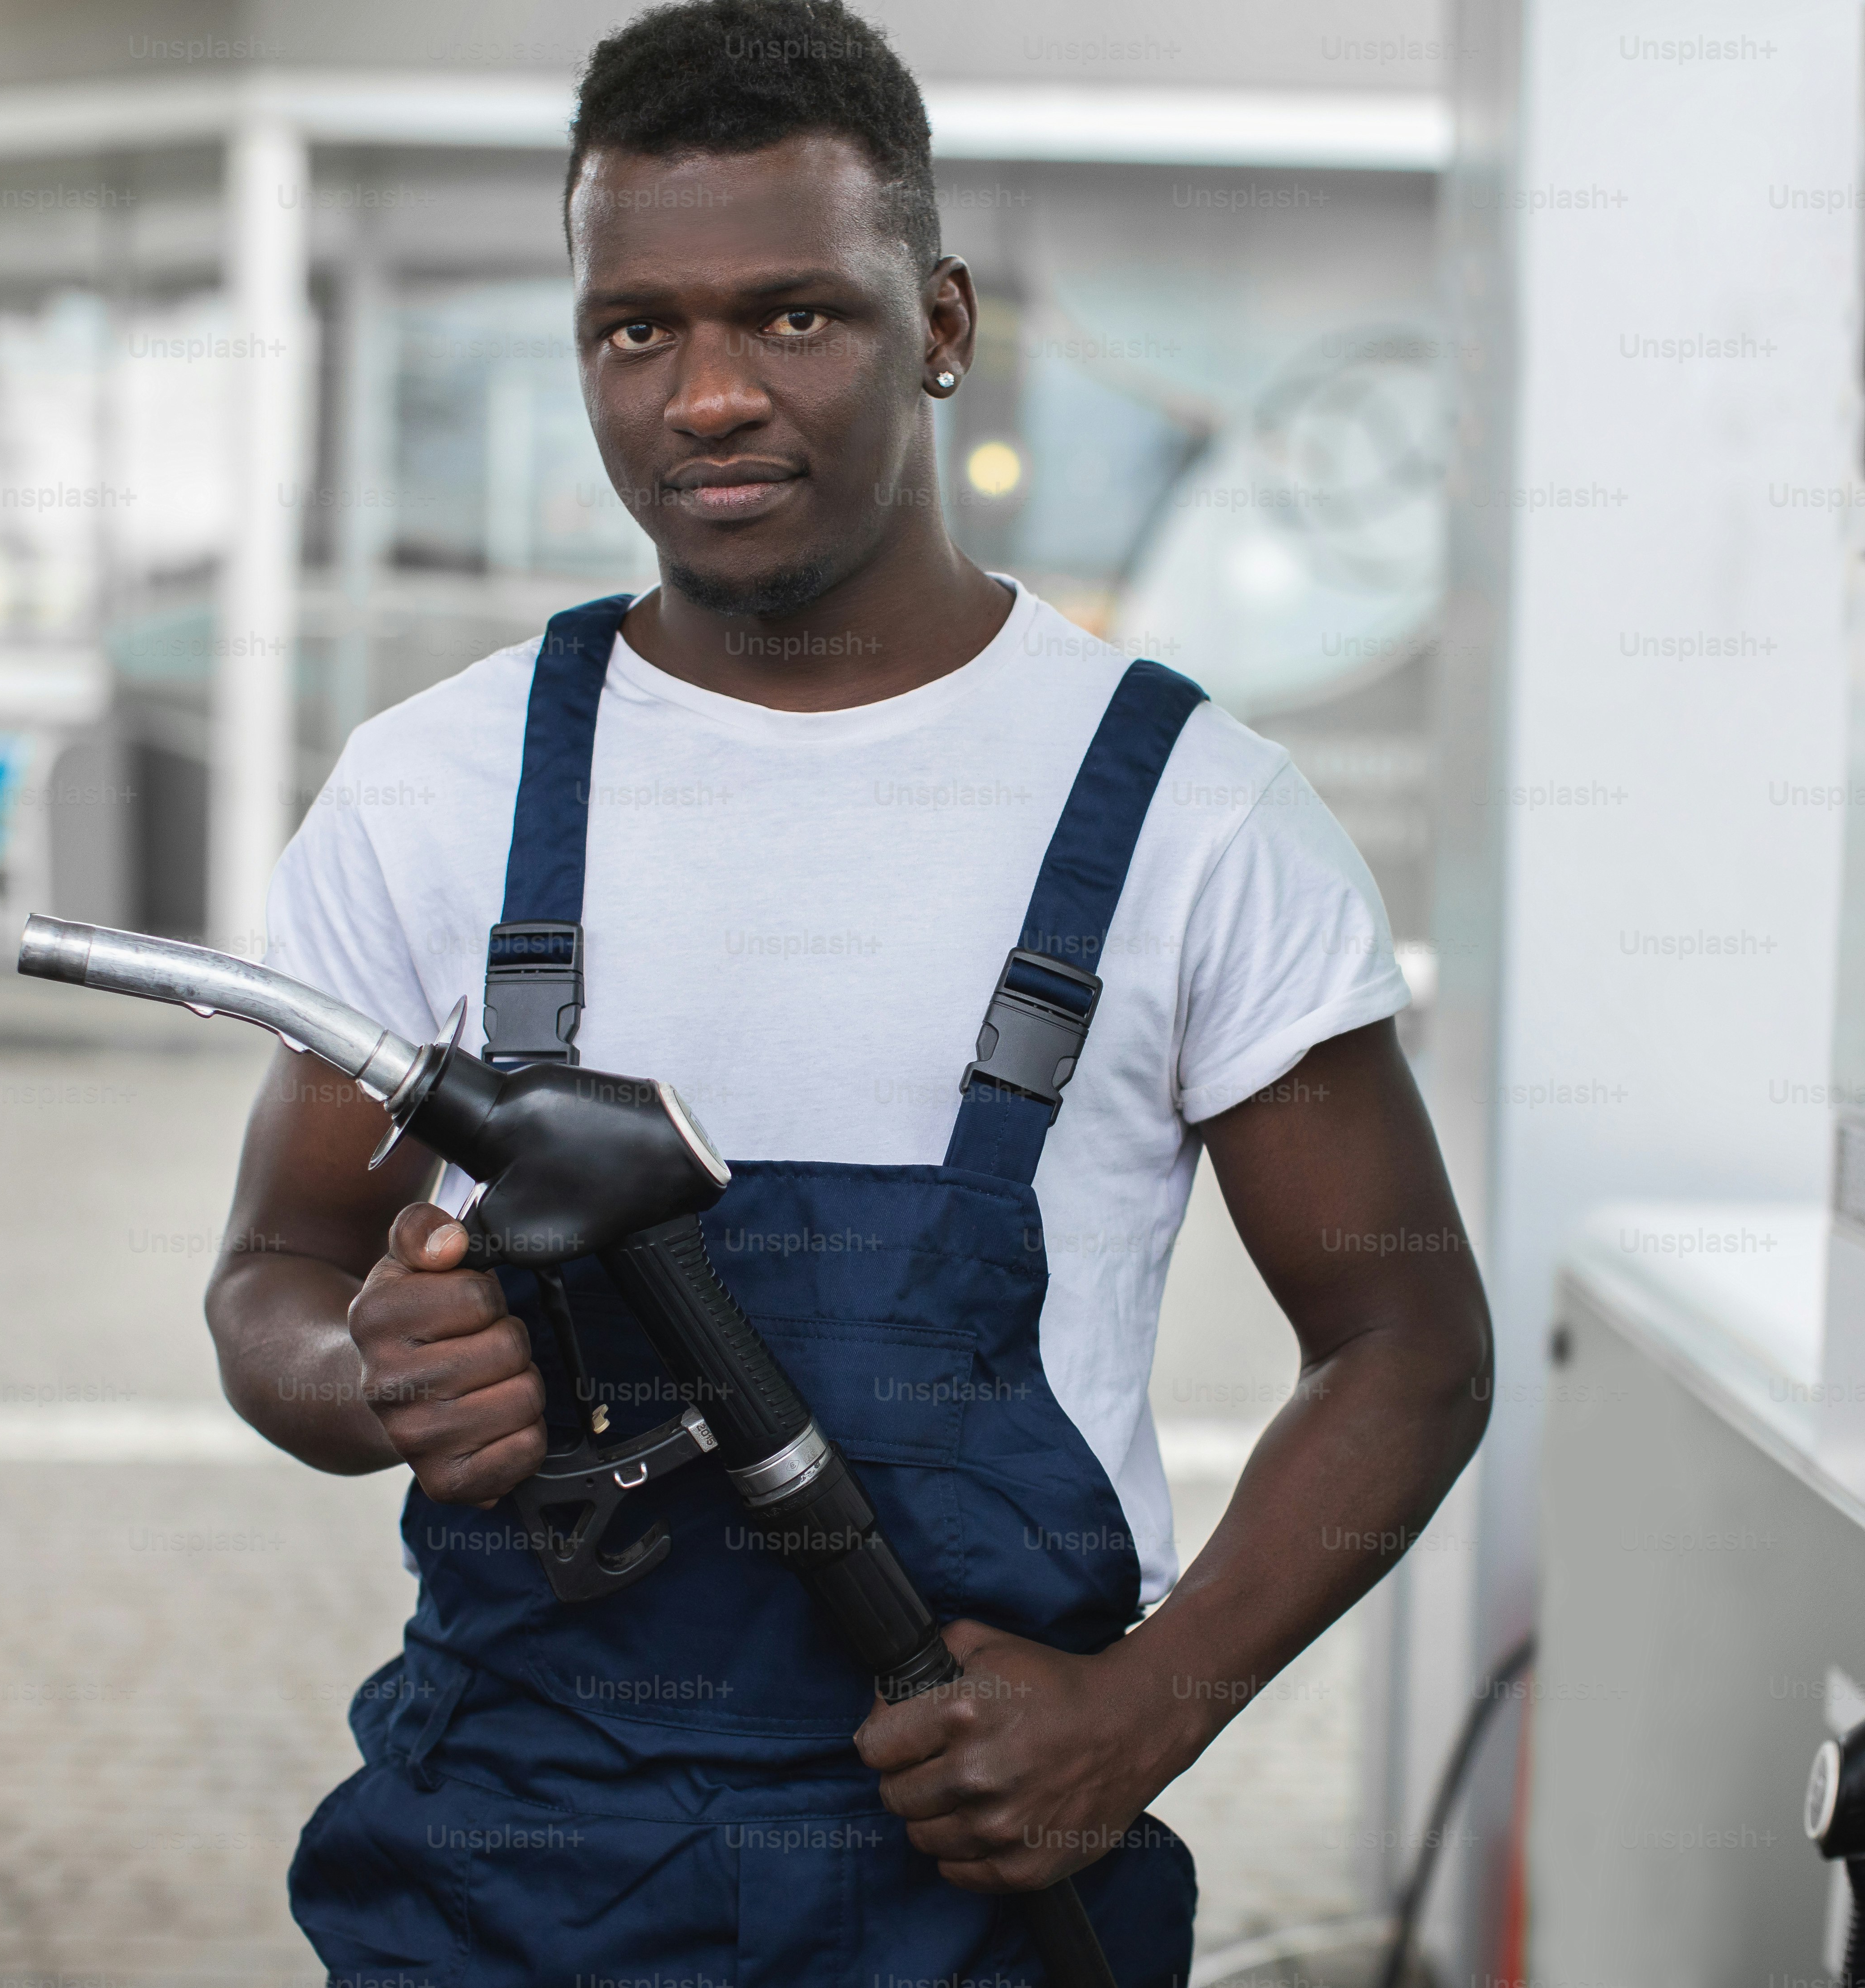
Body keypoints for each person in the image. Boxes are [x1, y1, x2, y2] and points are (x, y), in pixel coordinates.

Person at [205, 2, 1493, 1979]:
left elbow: (1403, 1341)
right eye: (635, 330)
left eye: (794, 314)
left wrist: (1142, 1714)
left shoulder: (1188, 813)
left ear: (942, 321)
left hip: (971, 1893)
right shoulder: (432, 788)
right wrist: (365, 1374)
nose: (706, 395)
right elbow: (272, 1282)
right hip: (500, 1886)